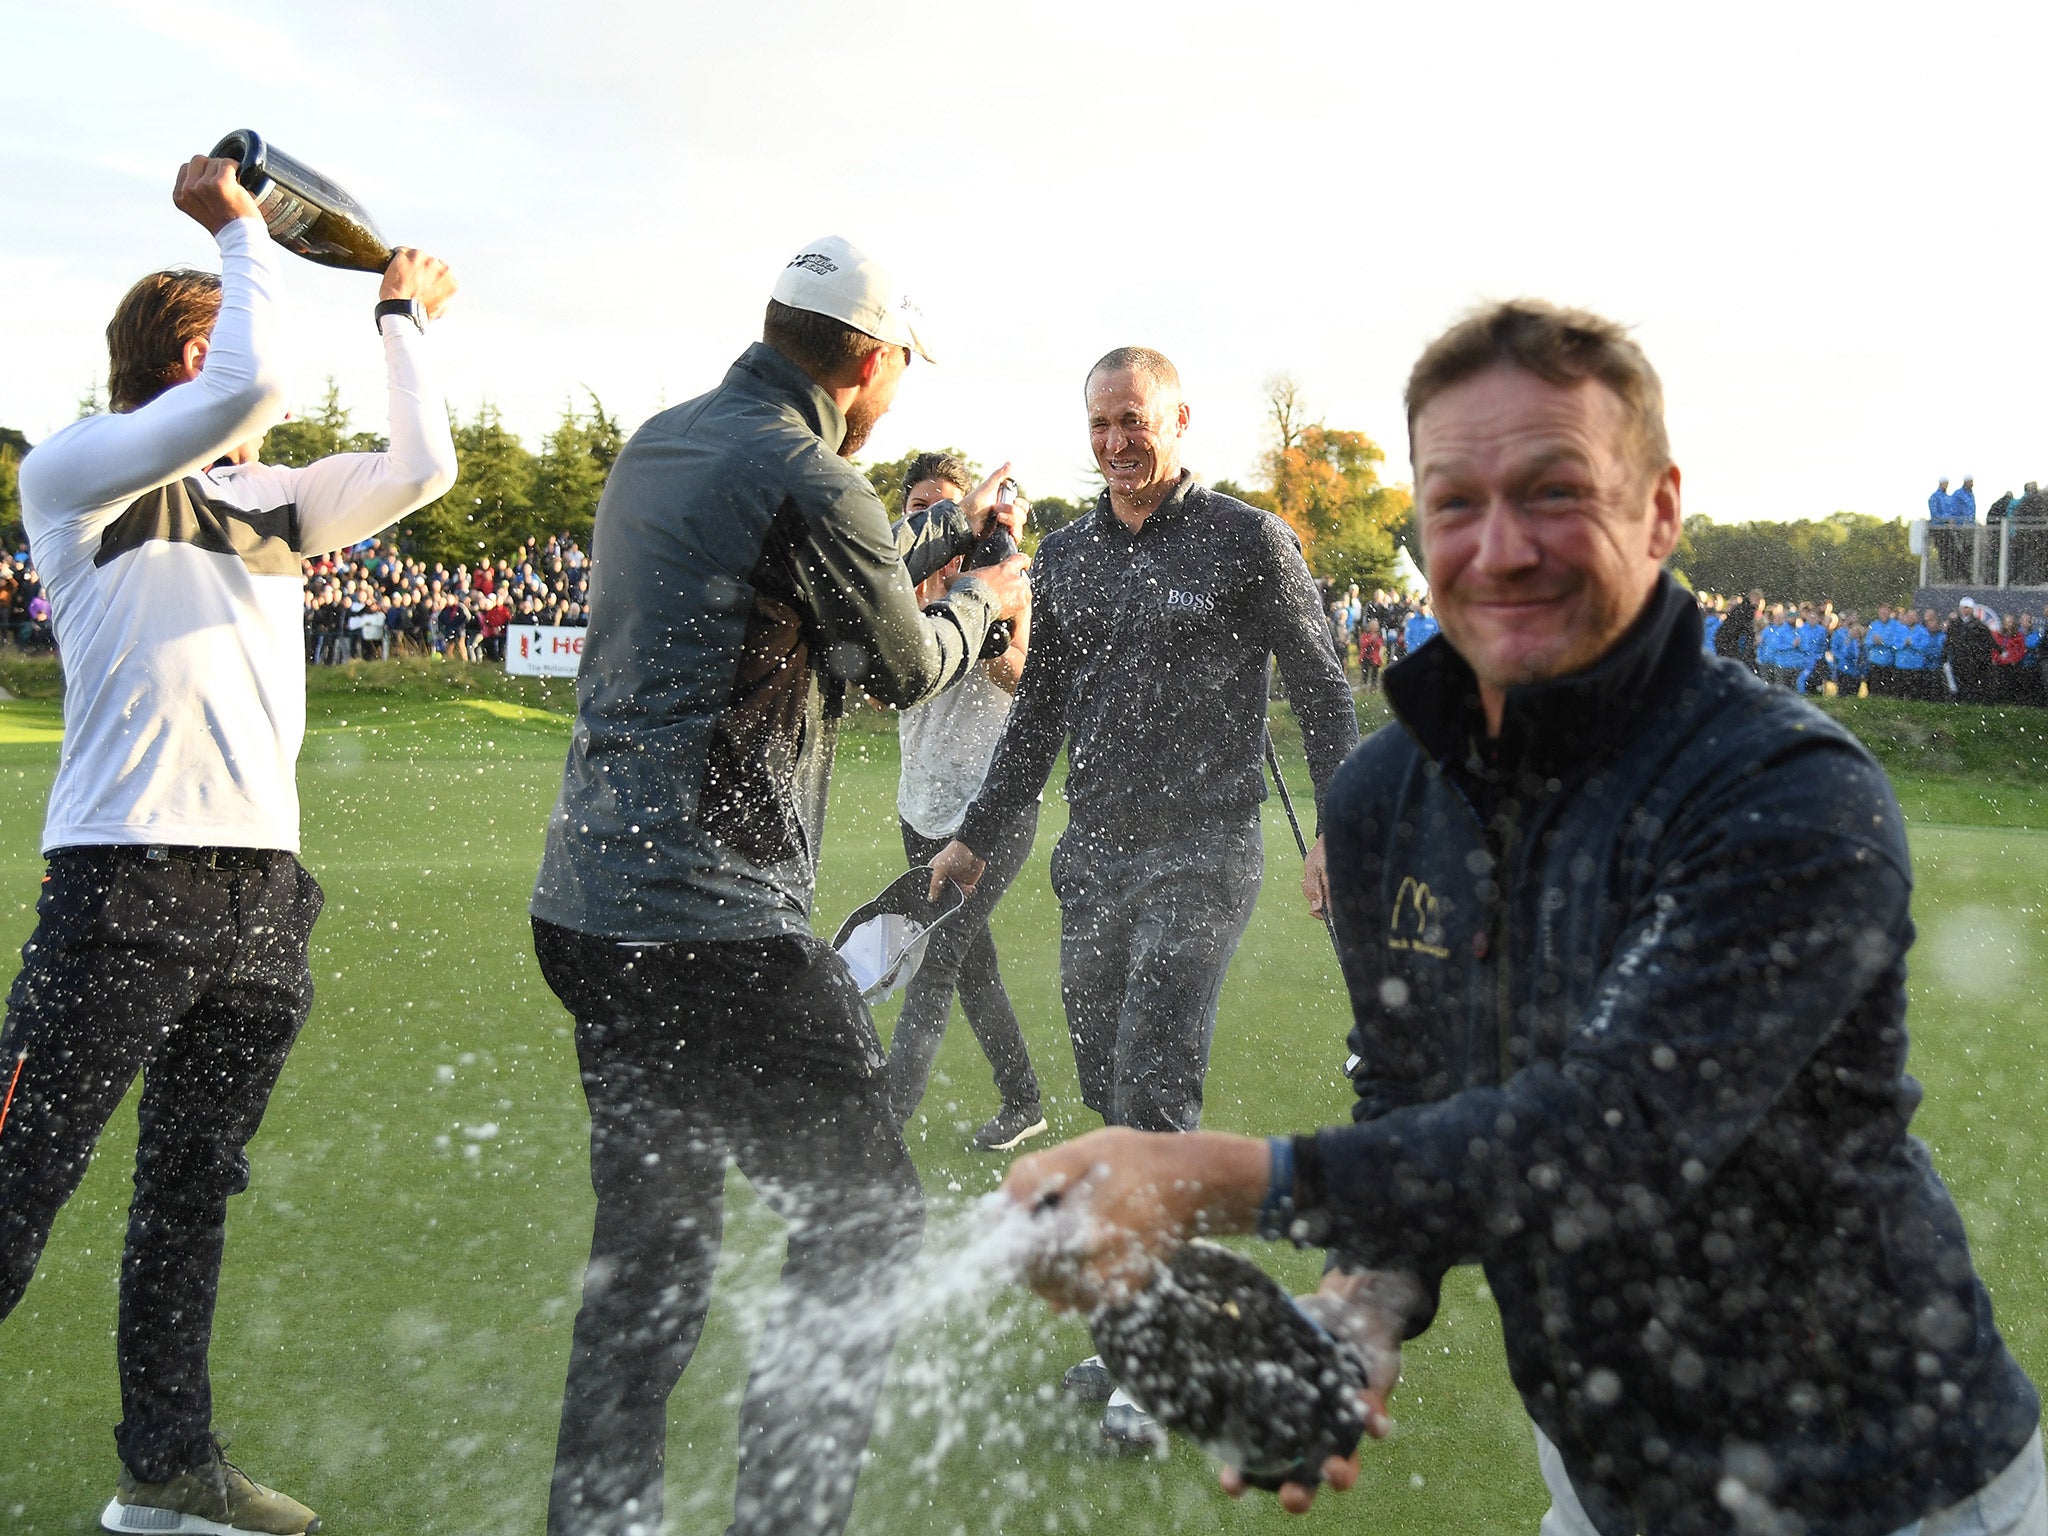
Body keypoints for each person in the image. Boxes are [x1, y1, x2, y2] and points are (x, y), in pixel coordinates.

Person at [1001, 299, 2043, 1534]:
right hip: (1599, 1484)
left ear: (1657, 508)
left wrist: (1223, 1176)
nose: (1497, 546)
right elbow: (1414, 1101)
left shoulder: (1784, 786)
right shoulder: (1392, 796)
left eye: (1551, 491)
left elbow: (1618, 1129)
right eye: (1451, 501)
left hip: (1885, 1486)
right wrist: (1360, 1309)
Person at [527, 235, 1029, 1536]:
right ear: (871, 363)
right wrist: (987, 587)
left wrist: (950, 529)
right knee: (864, 1223)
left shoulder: (665, 442)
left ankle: (600, 1520)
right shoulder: (811, 478)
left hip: (588, 910)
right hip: (714, 928)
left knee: (653, 1249)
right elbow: (904, 666)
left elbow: (835, 545)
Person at [0, 153, 458, 1536]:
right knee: (18, 1188)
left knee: (186, 1196)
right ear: (189, 354)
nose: (266, 395)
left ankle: (169, 1478)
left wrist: (401, 319)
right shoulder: (76, 472)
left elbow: (425, 464)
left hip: (263, 893)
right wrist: (246, 225)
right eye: (229, 342)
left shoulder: (280, 497)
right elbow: (246, 392)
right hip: (120, 880)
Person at [928, 345, 1359, 1449]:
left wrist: (1345, 832)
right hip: (1093, 857)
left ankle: (1157, 1371)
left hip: (1204, 853)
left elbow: (1318, 689)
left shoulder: (1245, 540)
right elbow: (1037, 717)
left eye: (1133, 419)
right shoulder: (1064, 555)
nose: (1116, 440)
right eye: (1099, 424)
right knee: (1111, 1094)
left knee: (1155, 1088)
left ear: (1175, 419)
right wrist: (975, 840)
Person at [882, 451, 1047, 1152]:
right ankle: (1024, 1099)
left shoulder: (1005, 579)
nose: (929, 517)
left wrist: (983, 623)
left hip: (992, 811)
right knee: (972, 961)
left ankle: (882, 1123)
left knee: (936, 958)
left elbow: (1021, 678)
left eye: (943, 504)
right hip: (918, 805)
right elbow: (876, 682)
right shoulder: (895, 584)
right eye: (919, 507)